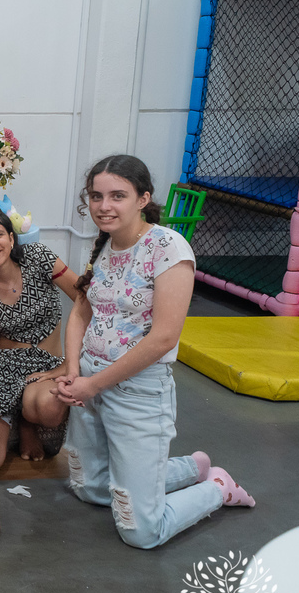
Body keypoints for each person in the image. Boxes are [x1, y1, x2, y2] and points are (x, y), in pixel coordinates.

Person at [55, 155, 254, 549]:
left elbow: (163, 338)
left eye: (118, 196)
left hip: (136, 390)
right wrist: (75, 369)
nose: (104, 205)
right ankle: (190, 466)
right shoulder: (105, 245)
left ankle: (216, 485)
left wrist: (92, 384)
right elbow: (81, 309)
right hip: (90, 379)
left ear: (143, 198)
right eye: (96, 196)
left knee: (141, 532)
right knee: (89, 489)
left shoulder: (168, 249)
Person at [0, 205, 80, 479]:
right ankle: (8, 421)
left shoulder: (38, 257)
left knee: (46, 408)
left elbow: (85, 299)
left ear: (12, 238)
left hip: (45, 370)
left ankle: (25, 421)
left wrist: (71, 362)